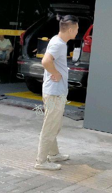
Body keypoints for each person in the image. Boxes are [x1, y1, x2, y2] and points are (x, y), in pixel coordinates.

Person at [35, 15, 79, 171]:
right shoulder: (58, 44)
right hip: (53, 92)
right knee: (50, 126)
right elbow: (46, 61)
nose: (77, 32)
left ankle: (53, 154)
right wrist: (56, 73)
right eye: (77, 29)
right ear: (71, 29)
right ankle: (41, 161)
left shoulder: (59, 42)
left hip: (56, 91)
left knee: (55, 124)